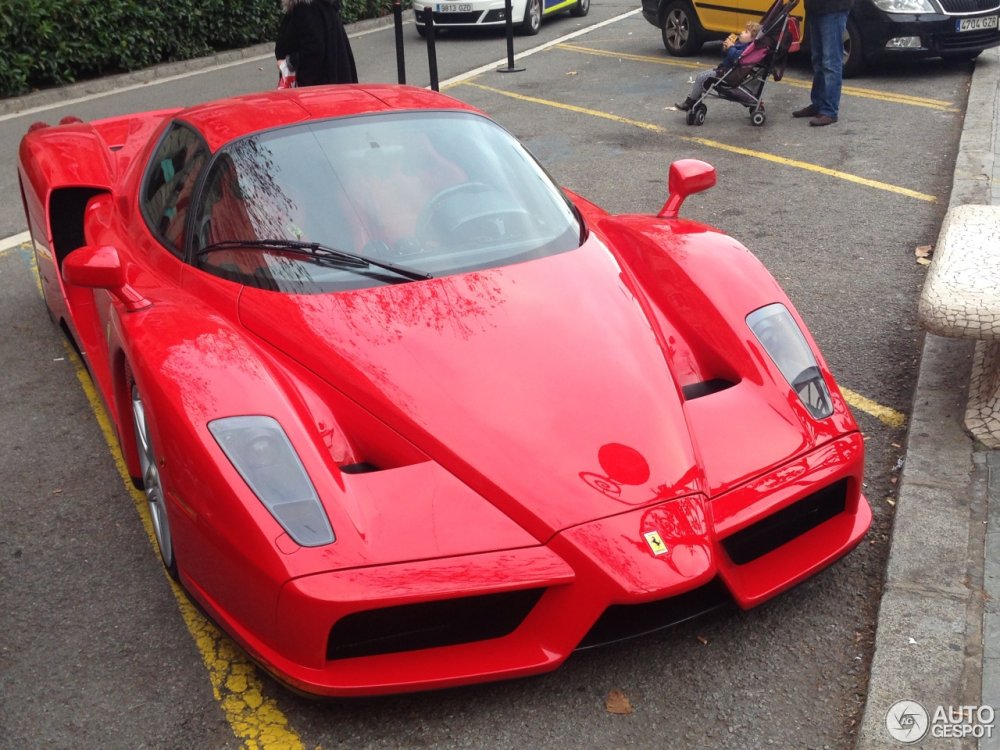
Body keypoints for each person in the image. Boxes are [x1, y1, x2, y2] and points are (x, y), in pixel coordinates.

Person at [675, 22, 762, 112]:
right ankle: (694, 98)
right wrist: (725, 49)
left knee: (701, 77)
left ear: (752, 39)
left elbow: (737, 58)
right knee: (703, 77)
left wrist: (731, 48)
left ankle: (690, 102)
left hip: (727, 74)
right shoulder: (739, 44)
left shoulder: (746, 49)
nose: (742, 32)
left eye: (746, 32)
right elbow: (727, 56)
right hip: (723, 70)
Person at [792, 0, 853, 126]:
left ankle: (830, 111)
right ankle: (818, 104)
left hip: (833, 8)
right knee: (818, 60)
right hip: (816, 8)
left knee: (831, 61)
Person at [275, 0, 358, 86]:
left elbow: (313, 50)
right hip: (333, 78)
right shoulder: (321, 4)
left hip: (318, 87)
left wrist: (288, 62)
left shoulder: (306, 7)